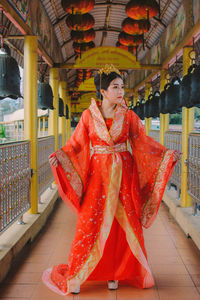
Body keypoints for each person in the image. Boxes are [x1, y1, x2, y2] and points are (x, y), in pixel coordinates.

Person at [42, 64, 181, 296]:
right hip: (98, 176)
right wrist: (60, 157)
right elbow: (76, 145)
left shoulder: (128, 116)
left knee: (122, 224)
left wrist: (166, 155)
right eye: (115, 87)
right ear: (103, 91)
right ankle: (78, 274)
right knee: (90, 222)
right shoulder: (88, 116)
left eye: (122, 87)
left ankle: (115, 274)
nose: (120, 92)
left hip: (124, 175)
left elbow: (142, 142)